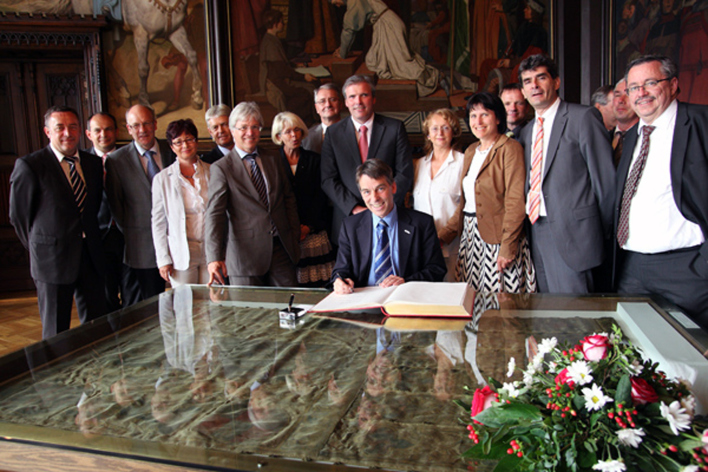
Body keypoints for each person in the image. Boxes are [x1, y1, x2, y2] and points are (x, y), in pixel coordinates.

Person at [615, 54, 708, 327]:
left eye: (651, 82)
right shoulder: (632, 136)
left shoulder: (701, 123)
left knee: (690, 359)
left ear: (673, 84)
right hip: (632, 269)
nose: (641, 93)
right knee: (636, 355)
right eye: (633, 87)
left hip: (687, 269)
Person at [518, 54, 615, 293]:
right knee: (549, 313)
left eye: (541, 78)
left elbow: (606, 183)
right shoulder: (527, 132)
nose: (535, 86)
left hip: (576, 233)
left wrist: (597, 232)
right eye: (528, 81)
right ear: (523, 90)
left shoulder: (583, 118)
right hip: (537, 228)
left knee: (576, 316)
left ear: (557, 82)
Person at [9, 106, 106, 339]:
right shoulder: (30, 165)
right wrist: (41, 246)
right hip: (52, 260)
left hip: (90, 255)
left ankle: (96, 370)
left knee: (96, 326)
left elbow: (93, 209)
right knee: (55, 330)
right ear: (47, 132)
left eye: (72, 127)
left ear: (81, 131)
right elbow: (19, 216)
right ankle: (57, 374)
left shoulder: (93, 164)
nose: (67, 133)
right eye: (59, 127)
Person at [440, 93, 535, 293]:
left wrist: (508, 247)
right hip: (470, 238)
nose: (478, 121)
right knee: (470, 300)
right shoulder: (471, 151)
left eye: (485, 114)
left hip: (498, 238)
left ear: (498, 118)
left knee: (502, 304)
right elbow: (466, 203)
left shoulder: (510, 148)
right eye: (473, 116)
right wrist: (442, 236)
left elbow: (516, 202)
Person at [205, 102, 300, 287]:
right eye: (243, 127)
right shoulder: (222, 168)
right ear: (233, 130)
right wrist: (214, 257)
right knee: (249, 314)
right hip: (244, 257)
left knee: (291, 308)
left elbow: (288, 199)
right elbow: (214, 214)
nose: (250, 132)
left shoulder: (273, 159)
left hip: (280, 249)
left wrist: (293, 235)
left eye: (255, 127)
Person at [321, 75, 413, 244]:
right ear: (346, 102)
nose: (358, 102)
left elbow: (405, 173)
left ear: (373, 98)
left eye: (364, 95)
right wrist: (355, 209)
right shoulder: (333, 134)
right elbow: (328, 179)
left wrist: (382, 205)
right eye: (352, 97)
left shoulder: (394, 128)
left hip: (389, 217)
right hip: (348, 219)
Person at [332, 159, 446, 294]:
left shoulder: (422, 223)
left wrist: (406, 282)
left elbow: (436, 269)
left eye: (380, 189)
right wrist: (340, 281)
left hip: (407, 297)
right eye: (366, 192)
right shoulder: (350, 226)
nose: (374, 198)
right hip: (363, 300)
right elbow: (340, 271)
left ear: (393, 187)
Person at [106, 104, 175, 305]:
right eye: (136, 125)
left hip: (179, 243)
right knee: (148, 307)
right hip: (141, 246)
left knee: (184, 303)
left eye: (146, 123)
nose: (142, 130)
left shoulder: (172, 150)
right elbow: (117, 207)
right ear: (128, 129)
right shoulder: (116, 161)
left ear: (155, 124)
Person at [271, 111, 335, 286]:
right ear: (279, 136)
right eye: (288, 132)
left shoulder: (315, 160)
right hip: (286, 235)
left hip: (313, 231)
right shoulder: (272, 162)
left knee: (319, 285)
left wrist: (308, 226)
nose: (294, 135)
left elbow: (321, 196)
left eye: (297, 130)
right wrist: (292, 228)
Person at [331, 0, 439, 98]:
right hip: (385, 26)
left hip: (389, 27)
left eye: (335, 1)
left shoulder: (354, 3)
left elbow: (348, 31)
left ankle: (429, 77)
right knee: (373, 60)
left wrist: (342, 53)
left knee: (401, 64)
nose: (337, 5)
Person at [151, 119, 211, 286]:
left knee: (212, 303)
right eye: (178, 142)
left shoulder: (213, 171)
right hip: (181, 252)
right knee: (185, 305)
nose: (184, 145)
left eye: (189, 139)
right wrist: (163, 259)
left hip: (210, 249)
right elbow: (158, 223)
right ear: (171, 147)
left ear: (196, 141)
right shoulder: (162, 179)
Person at [85, 112, 131, 313]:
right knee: (106, 297)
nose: (103, 134)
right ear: (89, 134)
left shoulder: (129, 159)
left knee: (132, 296)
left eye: (108, 129)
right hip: (98, 238)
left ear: (117, 131)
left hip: (127, 237)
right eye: (97, 130)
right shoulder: (82, 163)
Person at [412, 108, 464, 282]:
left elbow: (466, 205)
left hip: (452, 245)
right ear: (428, 134)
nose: (439, 133)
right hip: (422, 247)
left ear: (453, 132)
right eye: (434, 128)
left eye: (445, 128)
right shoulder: (418, 165)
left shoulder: (463, 162)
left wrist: (443, 236)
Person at [259, 9, 317, 124]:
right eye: (281, 22)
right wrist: (303, 77)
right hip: (278, 83)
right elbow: (280, 70)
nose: (283, 24)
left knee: (311, 86)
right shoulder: (270, 43)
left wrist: (295, 65)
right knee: (307, 91)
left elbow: (281, 64)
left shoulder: (272, 39)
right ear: (275, 24)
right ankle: (304, 124)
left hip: (280, 78)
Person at [302, 83, 343, 154]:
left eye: (333, 100)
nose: (328, 105)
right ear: (316, 108)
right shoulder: (307, 138)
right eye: (322, 101)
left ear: (341, 104)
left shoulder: (354, 132)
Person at [611, 79, 639, 168]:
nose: (621, 100)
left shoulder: (646, 138)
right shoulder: (601, 137)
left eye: (627, 94)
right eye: (617, 95)